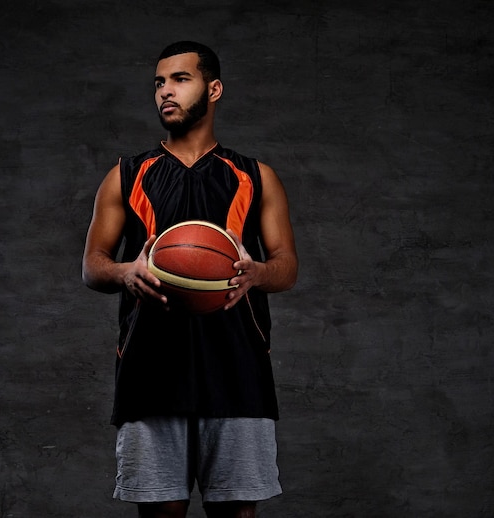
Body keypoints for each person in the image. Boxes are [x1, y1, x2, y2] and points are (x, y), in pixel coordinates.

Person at [82, 41, 298, 518]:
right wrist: (126, 271)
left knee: (236, 513)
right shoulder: (126, 175)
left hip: (238, 371)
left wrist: (256, 272)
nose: (165, 91)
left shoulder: (254, 176)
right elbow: (92, 265)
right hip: (150, 372)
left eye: (180, 79)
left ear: (213, 88)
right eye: (159, 82)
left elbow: (286, 267)